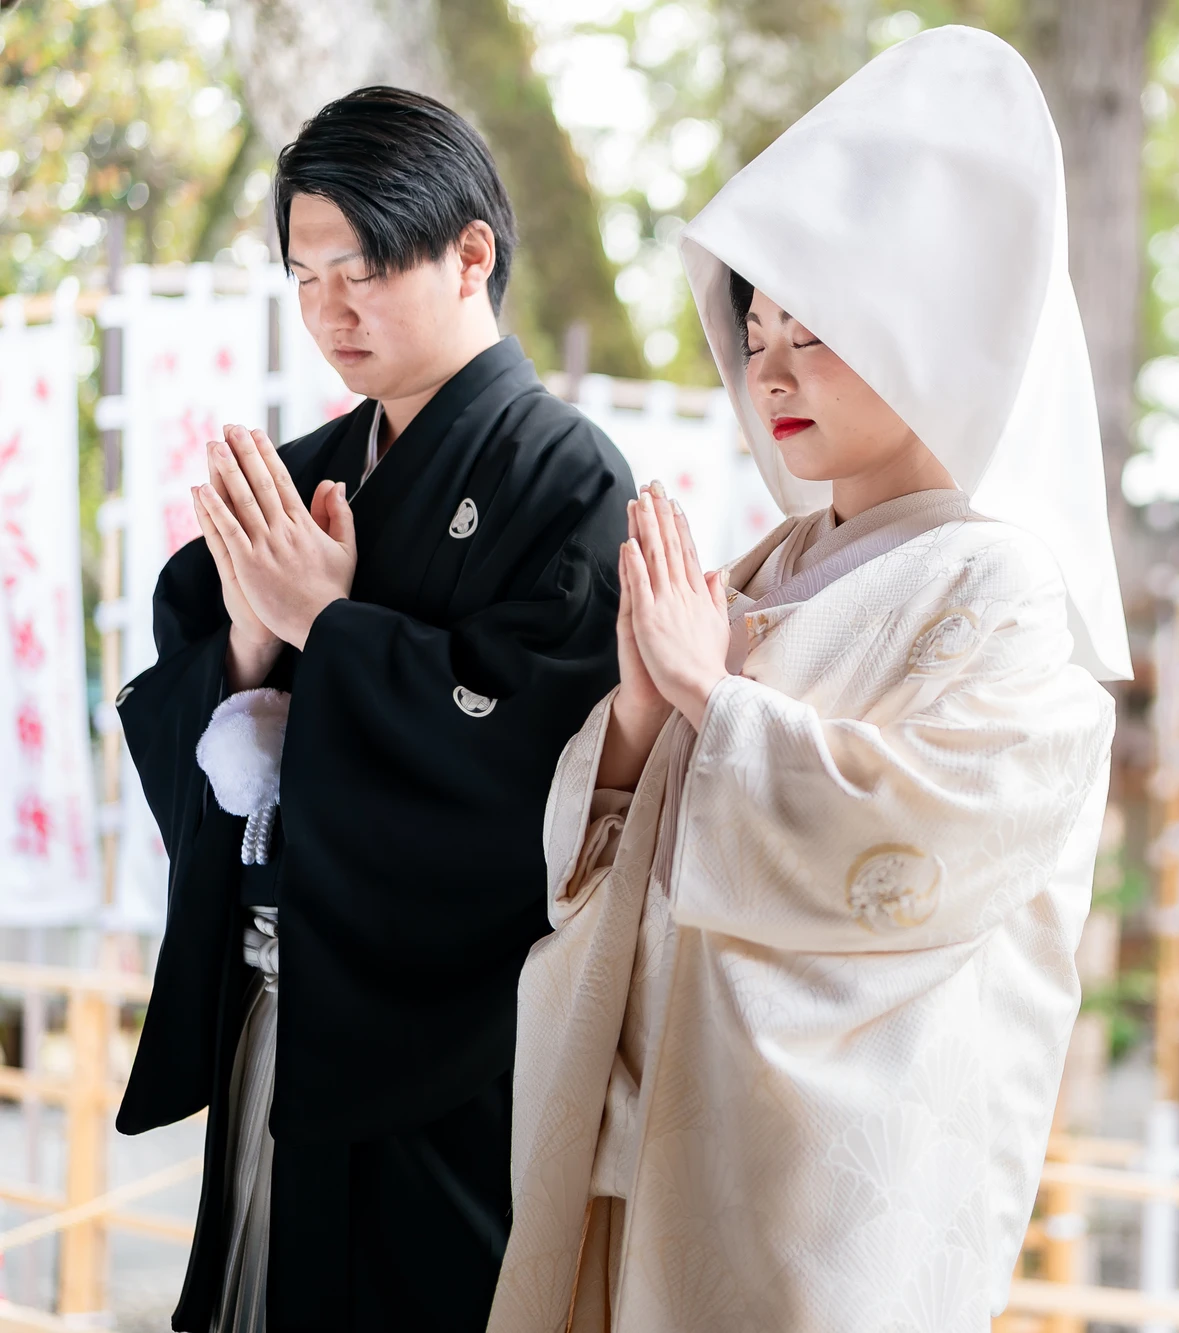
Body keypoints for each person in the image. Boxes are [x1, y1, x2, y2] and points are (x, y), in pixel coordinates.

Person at [489, 26, 1130, 1333]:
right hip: (661, 1116)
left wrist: (714, 703)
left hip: (810, 1183)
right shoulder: (768, 561)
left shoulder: (999, 584)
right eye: (758, 328)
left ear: (927, 334)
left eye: (816, 333)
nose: (769, 368)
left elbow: (934, 838)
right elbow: (618, 852)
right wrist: (636, 715)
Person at [115, 87, 632, 1332]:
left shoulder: (564, 476)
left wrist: (331, 633)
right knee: (252, 1282)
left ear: (470, 254)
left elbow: (540, 758)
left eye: (363, 267)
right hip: (273, 994)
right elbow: (186, 682)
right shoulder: (306, 473)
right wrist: (248, 645)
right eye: (304, 275)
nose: (330, 309)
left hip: (440, 1039)